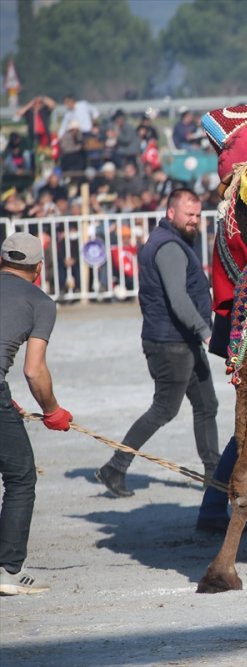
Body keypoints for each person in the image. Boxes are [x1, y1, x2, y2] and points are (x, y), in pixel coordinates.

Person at [95, 188, 220, 497]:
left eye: (197, 215)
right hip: (171, 343)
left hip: (181, 341)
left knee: (207, 405)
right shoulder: (170, 248)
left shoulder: (171, 242)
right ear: (170, 213)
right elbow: (178, 298)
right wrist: (205, 331)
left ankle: (215, 480)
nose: (194, 221)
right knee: (164, 408)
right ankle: (115, 467)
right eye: (188, 215)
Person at [0, 233, 73, 596]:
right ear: (39, 269)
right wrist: (52, 410)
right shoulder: (40, 301)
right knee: (20, 478)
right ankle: (9, 568)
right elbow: (33, 370)